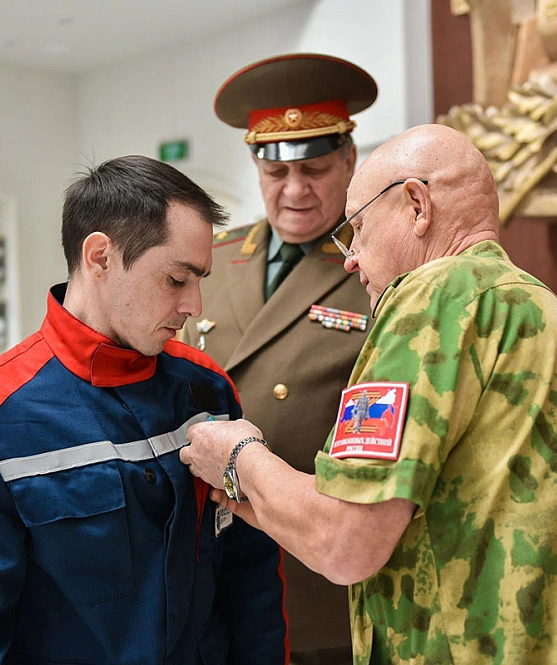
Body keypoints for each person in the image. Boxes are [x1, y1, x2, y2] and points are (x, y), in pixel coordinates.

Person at [180, 124, 557, 664]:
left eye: (358, 228)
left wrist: (239, 459)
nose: (350, 258)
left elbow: (345, 542)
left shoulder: (431, 298)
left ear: (417, 205)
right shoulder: (541, 307)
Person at [0, 155, 288, 665]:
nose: (195, 306)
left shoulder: (207, 390)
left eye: (200, 280)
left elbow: (250, 580)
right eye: (177, 279)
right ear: (101, 256)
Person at [179, 52, 376, 665]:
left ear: (349, 159)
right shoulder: (215, 257)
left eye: (315, 168)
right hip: (209, 563)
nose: (294, 190)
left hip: (314, 579)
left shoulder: (380, 265)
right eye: (275, 171)